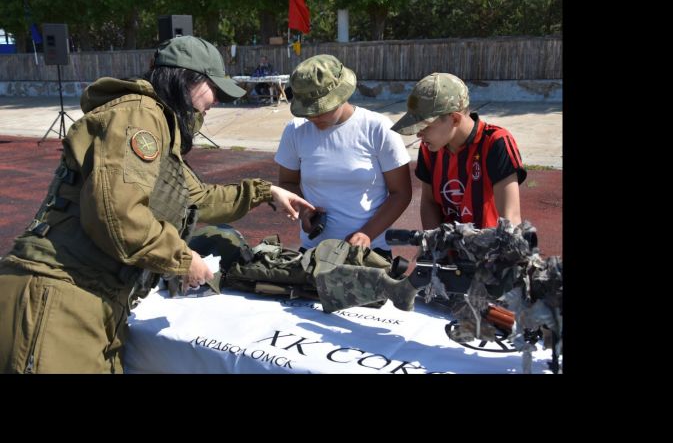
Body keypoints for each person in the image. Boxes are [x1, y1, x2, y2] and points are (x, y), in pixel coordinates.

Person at [0, 35, 314, 373]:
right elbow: (116, 214)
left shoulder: (158, 124)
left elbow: (196, 198)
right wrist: (181, 259)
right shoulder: (140, 115)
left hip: (92, 299)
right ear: (184, 80)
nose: (216, 101)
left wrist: (265, 192)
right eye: (213, 88)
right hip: (60, 296)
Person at [274, 54, 413, 259]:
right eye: (307, 111)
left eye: (320, 110)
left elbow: (400, 193)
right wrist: (303, 210)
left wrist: (366, 234)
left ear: (342, 95)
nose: (312, 117)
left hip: (369, 253)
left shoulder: (377, 128)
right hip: (314, 252)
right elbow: (287, 182)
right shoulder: (295, 130)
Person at [391, 72, 527, 230]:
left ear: (455, 119)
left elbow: (511, 218)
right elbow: (429, 202)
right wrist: (433, 242)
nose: (418, 134)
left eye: (424, 126)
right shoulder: (430, 147)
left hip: (491, 244)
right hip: (446, 244)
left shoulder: (495, 142)